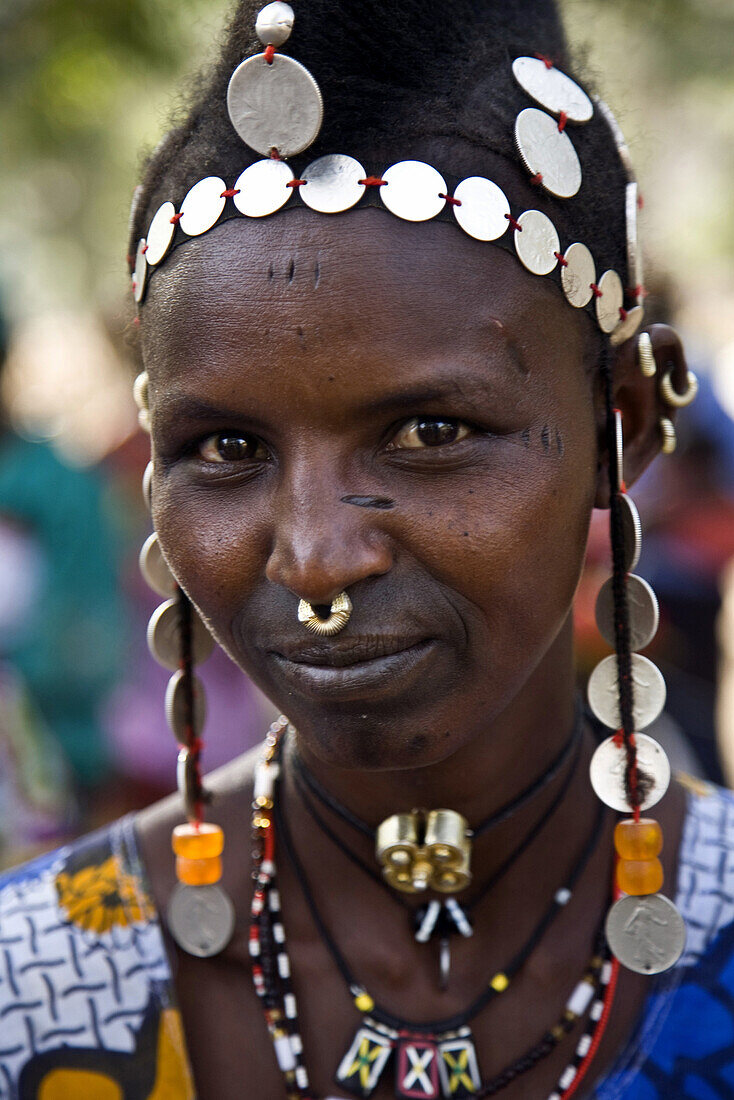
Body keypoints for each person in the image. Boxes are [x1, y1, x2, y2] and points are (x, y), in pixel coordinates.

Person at [0, 1, 731, 1098]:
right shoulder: (35, 983)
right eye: (226, 447)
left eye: (430, 433)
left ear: (615, 428)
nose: (313, 557)